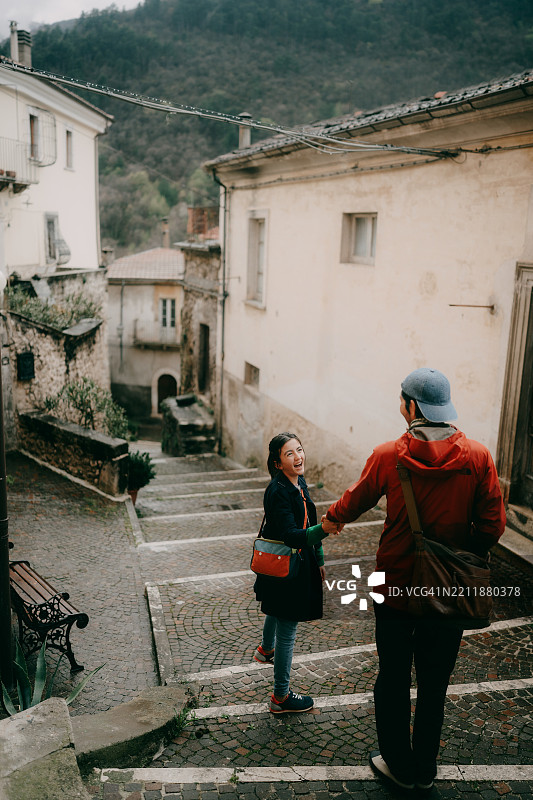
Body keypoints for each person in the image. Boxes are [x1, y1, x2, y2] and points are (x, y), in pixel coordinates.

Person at [324, 368, 506, 791]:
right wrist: (462, 554)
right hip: (449, 590)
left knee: (391, 678)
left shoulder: (389, 455)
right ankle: (424, 768)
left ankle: (398, 765)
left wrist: (330, 521)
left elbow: (355, 500)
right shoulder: (478, 457)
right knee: (434, 681)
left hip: (395, 588)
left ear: (410, 406)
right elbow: (493, 525)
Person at [253, 432, 338, 713]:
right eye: (289, 454)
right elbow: (291, 535)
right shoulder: (278, 491)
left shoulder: (298, 482)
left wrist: (321, 558)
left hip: (294, 564)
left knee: (275, 611)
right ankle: (281, 697)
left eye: (299, 450)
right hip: (286, 566)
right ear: (278, 463)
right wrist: (323, 531)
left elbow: (309, 519)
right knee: (287, 631)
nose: (298, 457)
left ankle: (266, 650)